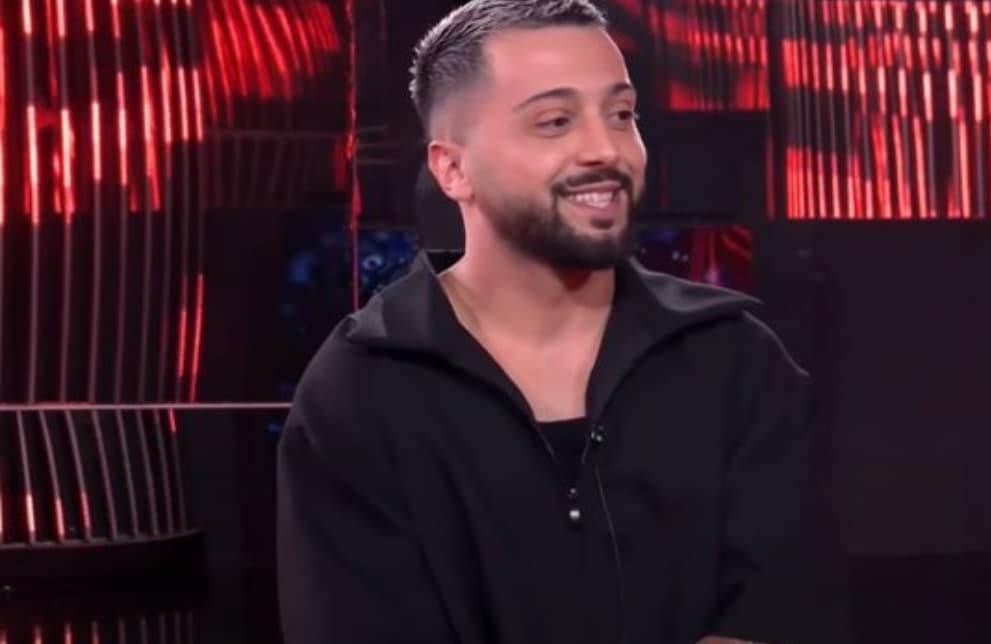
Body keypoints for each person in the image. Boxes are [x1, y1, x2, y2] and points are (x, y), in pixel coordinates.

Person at [277, 1, 849, 643]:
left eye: (622, 115)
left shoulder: (735, 362)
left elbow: (783, 615)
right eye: (555, 121)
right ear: (453, 169)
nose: (605, 149)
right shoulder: (360, 392)